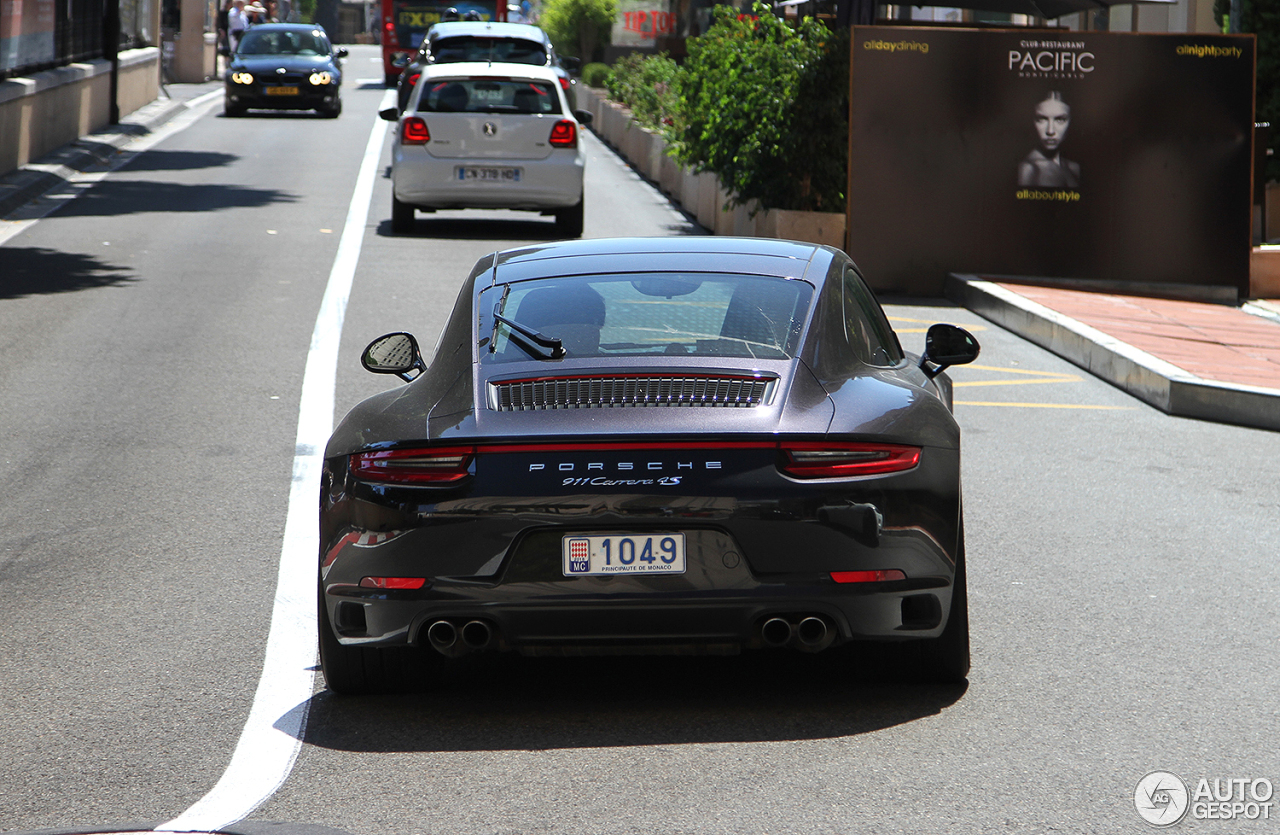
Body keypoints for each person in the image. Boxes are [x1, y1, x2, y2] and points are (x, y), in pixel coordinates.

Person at [1017, 91, 1081, 189]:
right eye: (1041, 119)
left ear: (1071, 121)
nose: (1050, 131)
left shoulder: (1074, 167)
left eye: (1060, 120)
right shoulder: (1028, 169)